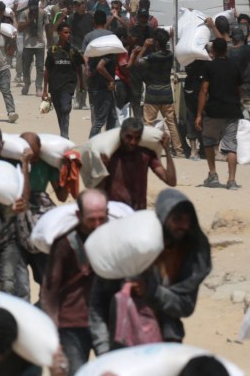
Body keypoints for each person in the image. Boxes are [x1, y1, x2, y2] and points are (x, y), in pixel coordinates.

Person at [89, 189, 211, 355]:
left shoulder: (188, 256)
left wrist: (152, 291)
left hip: (167, 343)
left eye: (186, 220)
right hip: (124, 345)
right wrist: (103, 349)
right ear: (162, 218)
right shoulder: (134, 248)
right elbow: (98, 302)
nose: (183, 226)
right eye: (176, 219)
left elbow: (185, 306)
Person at [41, 189, 109, 375]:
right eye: (91, 220)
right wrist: (53, 336)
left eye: (101, 219)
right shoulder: (65, 243)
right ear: (79, 215)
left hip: (104, 320)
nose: (97, 225)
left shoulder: (113, 238)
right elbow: (50, 291)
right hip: (72, 323)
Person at [100, 117, 176, 211]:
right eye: (129, 137)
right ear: (121, 134)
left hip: (137, 213)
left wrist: (167, 150)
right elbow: (98, 189)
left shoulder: (146, 155)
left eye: (137, 138)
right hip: (114, 213)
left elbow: (171, 181)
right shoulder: (111, 156)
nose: (133, 142)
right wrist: (103, 167)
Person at [196, 37, 243, 189]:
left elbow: (204, 90)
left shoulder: (209, 67)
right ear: (226, 50)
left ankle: (213, 174)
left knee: (209, 141)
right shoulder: (235, 66)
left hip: (214, 111)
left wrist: (198, 114)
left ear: (213, 51)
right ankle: (232, 180)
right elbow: (239, 89)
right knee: (231, 146)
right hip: (232, 110)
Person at [131, 28, 182, 156]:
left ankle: (147, 148)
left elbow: (137, 62)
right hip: (166, 94)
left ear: (157, 43)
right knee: (171, 124)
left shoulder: (152, 57)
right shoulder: (169, 55)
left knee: (148, 123)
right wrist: (171, 38)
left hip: (152, 94)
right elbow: (173, 51)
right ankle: (179, 150)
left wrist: (144, 47)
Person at [43, 22, 84, 139]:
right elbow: (47, 71)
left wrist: (81, 83)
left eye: (69, 32)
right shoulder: (52, 51)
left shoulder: (74, 51)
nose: (68, 35)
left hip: (68, 85)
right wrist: (45, 90)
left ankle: (64, 136)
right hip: (55, 86)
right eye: (66, 32)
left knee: (65, 108)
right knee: (59, 112)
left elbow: (78, 68)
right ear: (59, 33)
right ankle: (63, 134)